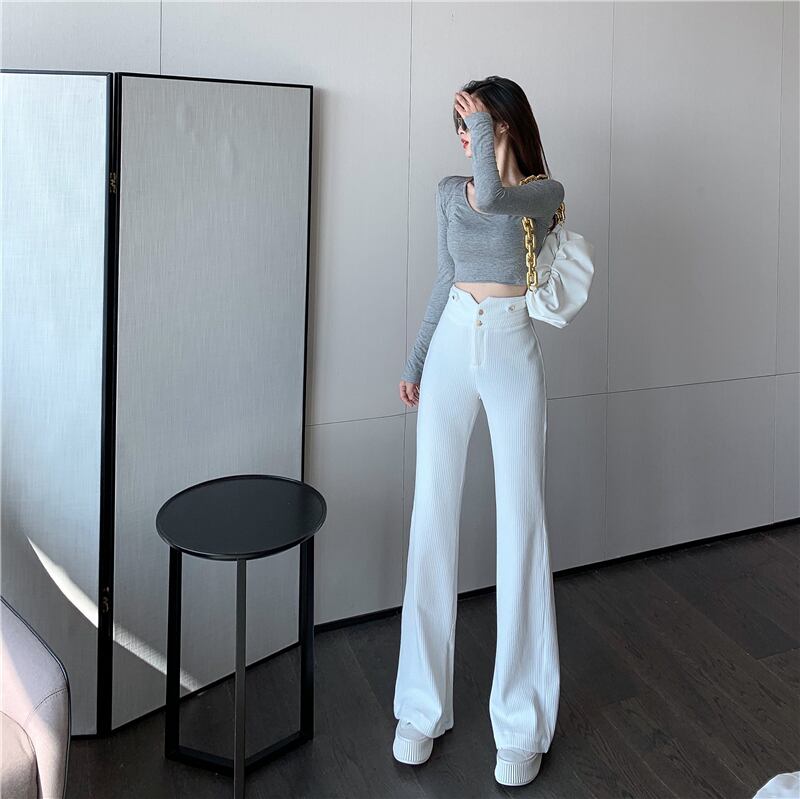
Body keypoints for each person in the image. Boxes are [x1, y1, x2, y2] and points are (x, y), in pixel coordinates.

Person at [392, 77, 563, 788]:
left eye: (478, 125)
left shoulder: (543, 195)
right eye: (460, 127)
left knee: (521, 524)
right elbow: (445, 276)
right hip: (454, 343)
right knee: (431, 518)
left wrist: (488, 129)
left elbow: (493, 198)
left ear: (507, 126)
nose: (466, 139)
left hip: (513, 347)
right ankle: (419, 707)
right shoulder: (446, 191)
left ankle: (521, 721)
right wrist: (416, 359)